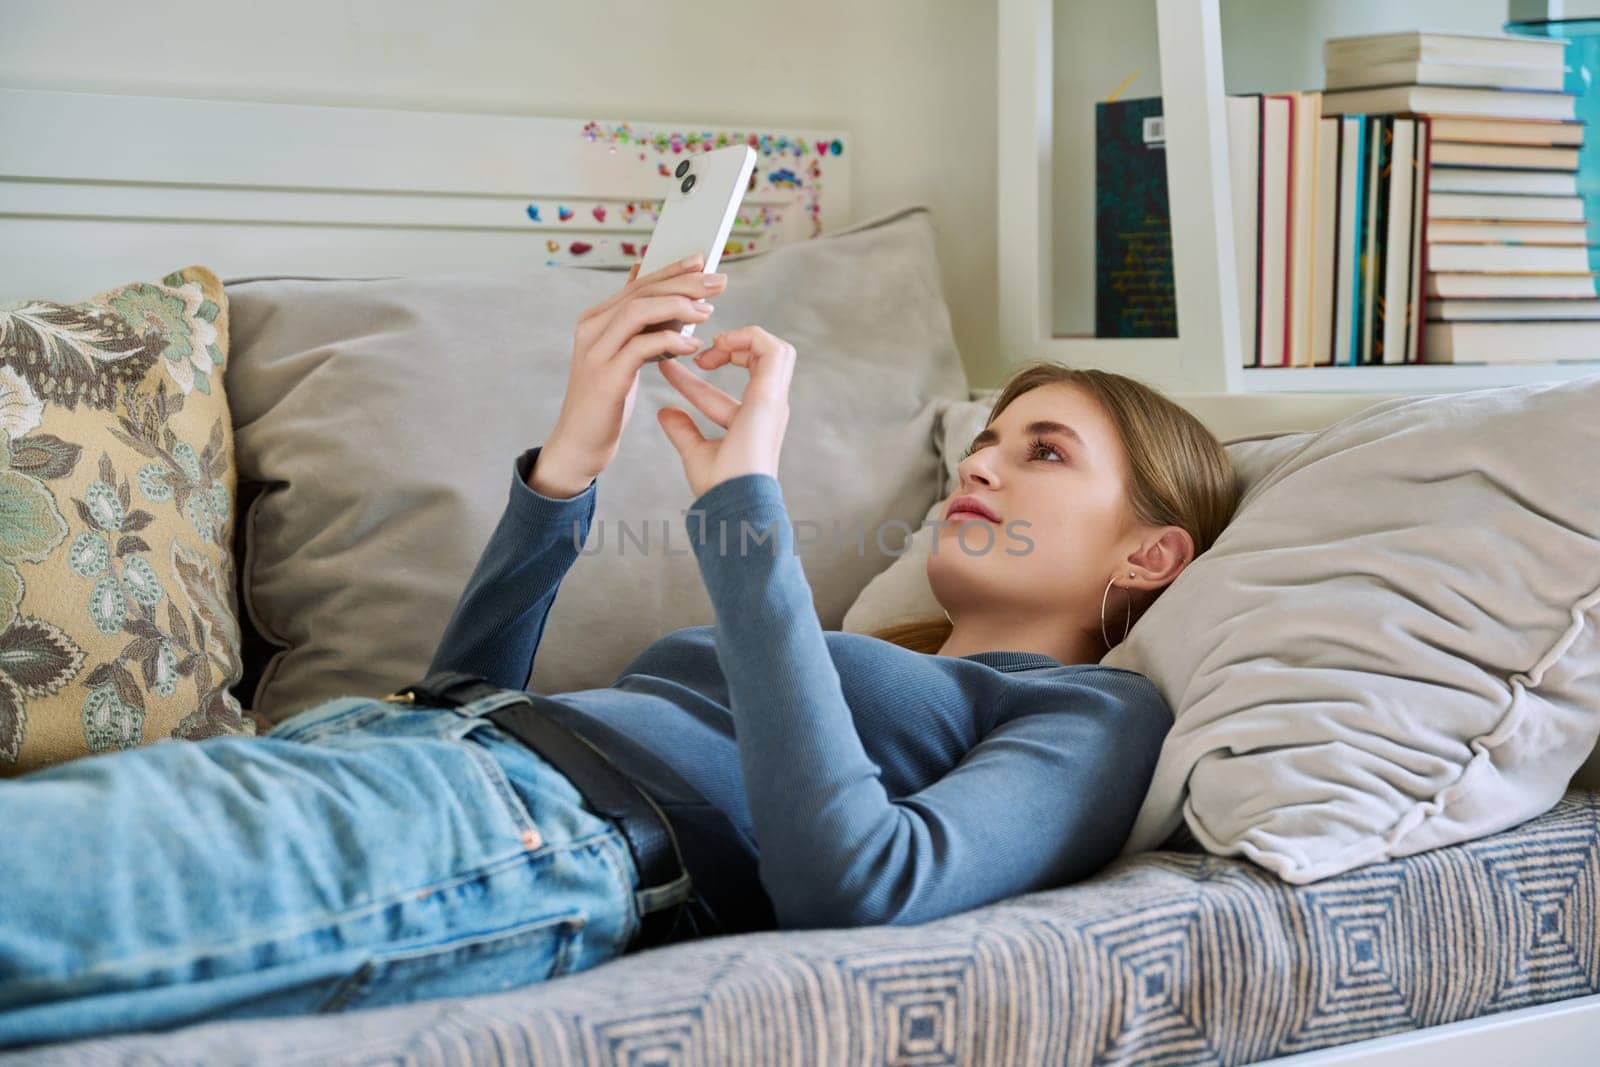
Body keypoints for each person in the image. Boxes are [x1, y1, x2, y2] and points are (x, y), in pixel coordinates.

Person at [0, 254, 1237, 1048]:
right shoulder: (860, 644)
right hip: (390, 753)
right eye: (992, 438)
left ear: (1149, 556)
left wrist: (745, 513)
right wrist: (572, 460)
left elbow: (863, 890)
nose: (982, 462)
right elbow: (464, 696)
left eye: (1044, 452)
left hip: (516, 830)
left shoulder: (1087, 712)